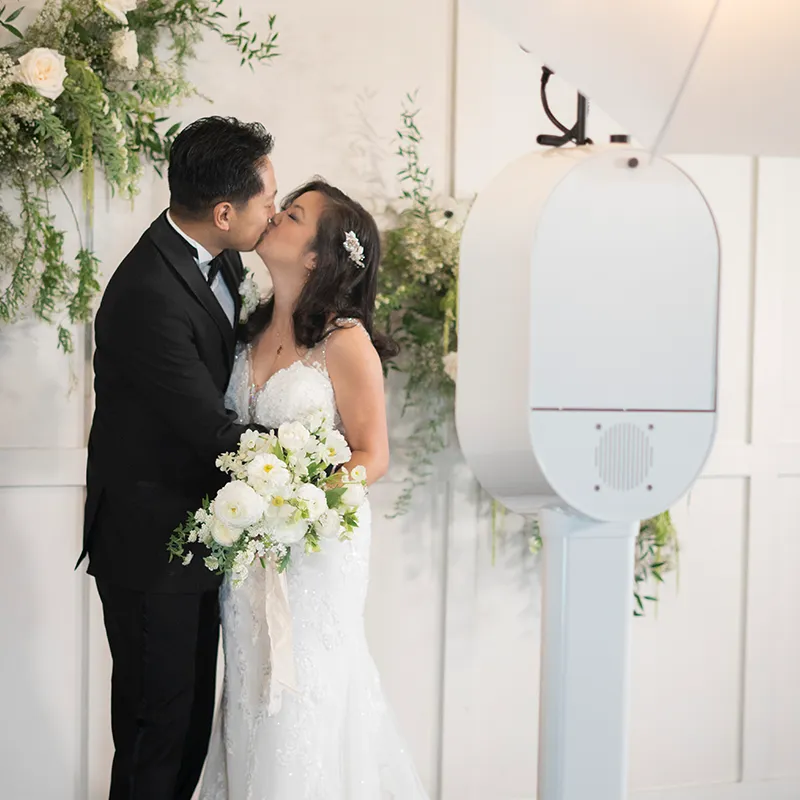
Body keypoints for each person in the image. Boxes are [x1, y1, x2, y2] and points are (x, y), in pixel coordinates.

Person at [200, 179, 430, 799]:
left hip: (314, 550)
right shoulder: (244, 335)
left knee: (304, 696)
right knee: (249, 690)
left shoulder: (344, 341)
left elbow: (372, 454)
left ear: (315, 257)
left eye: (293, 215)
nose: (274, 215)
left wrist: (300, 506)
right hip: (248, 550)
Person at [78, 116, 277, 800]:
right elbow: (209, 428)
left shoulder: (222, 256)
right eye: (267, 200)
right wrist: (306, 464)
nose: (273, 213)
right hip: (150, 549)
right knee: (154, 736)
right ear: (224, 212)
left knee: (188, 729)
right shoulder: (149, 294)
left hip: (195, 539)